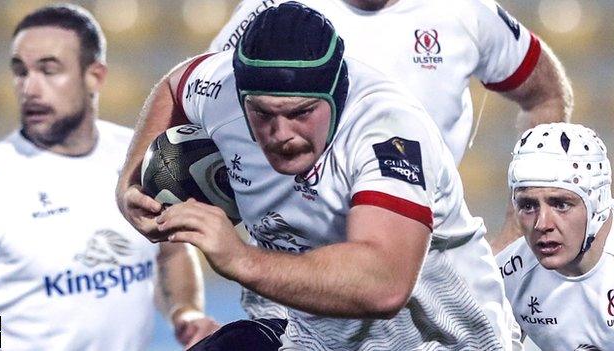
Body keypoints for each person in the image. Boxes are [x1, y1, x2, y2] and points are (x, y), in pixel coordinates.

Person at [117, 2, 520, 349]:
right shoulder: (223, 89)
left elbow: (386, 284)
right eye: (262, 114)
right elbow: (176, 84)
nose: (281, 135)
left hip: (441, 341)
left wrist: (240, 259)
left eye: (300, 113)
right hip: (318, 337)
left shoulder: (386, 128)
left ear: (336, 94)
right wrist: (128, 184)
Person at [208, 0, 573, 314]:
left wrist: (515, 231)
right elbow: (200, 99)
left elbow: (545, 95)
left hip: (425, 269)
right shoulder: (274, 15)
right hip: (292, 275)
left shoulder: (465, 11)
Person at [0, 4, 218, 350]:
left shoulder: (139, 160)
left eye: (49, 71)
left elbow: (171, 252)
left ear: (94, 76)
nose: (29, 88)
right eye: (21, 72)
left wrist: (183, 312)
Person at [495, 122, 613, 350]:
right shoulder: (505, 277)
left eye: (560, 204)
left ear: (597, 204)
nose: (542, 224)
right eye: (528, 206)